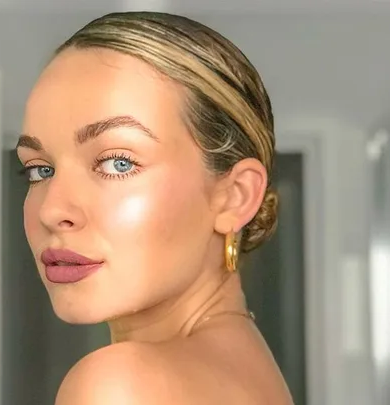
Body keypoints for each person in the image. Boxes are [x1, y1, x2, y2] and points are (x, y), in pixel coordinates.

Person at [16, 11, 293, 405]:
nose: (52, 209)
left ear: (235, 196)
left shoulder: (119, 386)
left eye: (118, 163)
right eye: (40, 169)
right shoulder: (248, 369)